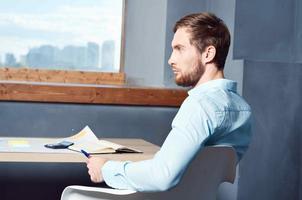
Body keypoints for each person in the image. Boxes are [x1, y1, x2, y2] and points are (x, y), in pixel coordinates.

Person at [86, 12, 252, 192]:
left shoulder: (200, 106)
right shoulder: (242, 109)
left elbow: (162, 177)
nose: (171, 59)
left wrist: (105, 168)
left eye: (179, 48)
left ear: (208, 53)